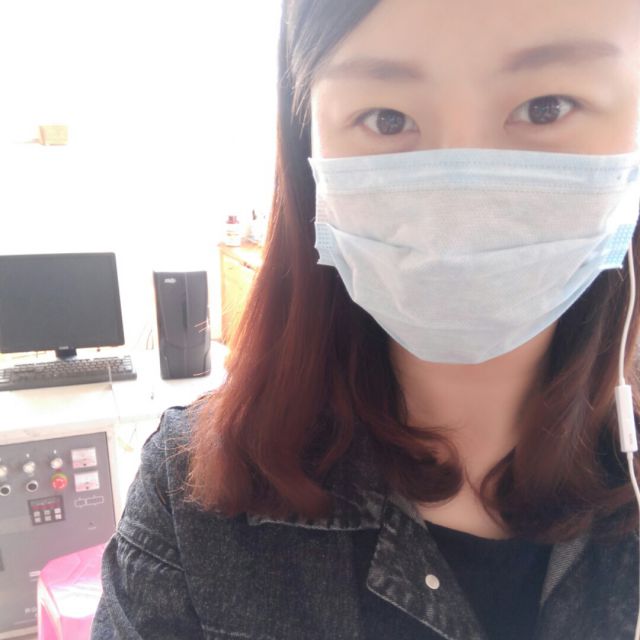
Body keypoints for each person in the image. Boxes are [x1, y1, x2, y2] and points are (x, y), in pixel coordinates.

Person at [91, 0, 640, 638]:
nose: (457, 214)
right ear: (309, 151)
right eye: (387, 119)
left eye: (546, 107)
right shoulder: (191, 500)